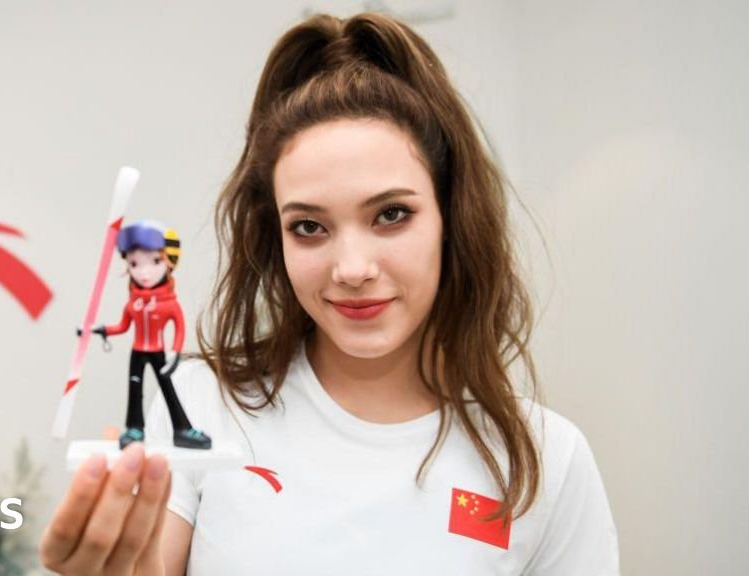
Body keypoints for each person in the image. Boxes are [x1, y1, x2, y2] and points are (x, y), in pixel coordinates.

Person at [41, 12, 618, 576]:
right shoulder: (206, 403)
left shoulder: (548, 460)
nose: (352, 269)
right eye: (309, 227)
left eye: (391, 215)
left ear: (451, 216)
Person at [88, 220, 212, 450]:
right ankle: (134, 428)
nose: (144, 272)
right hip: (137, 353)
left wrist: (175, 353)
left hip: (158, 353)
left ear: (168, 262)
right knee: (134, 391)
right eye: (134, 263)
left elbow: (180, 328)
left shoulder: (169, 304)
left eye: (155, 261)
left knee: (168, 390)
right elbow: (122, 326)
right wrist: (102, 330)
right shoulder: (133, 303)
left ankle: (182, 429)